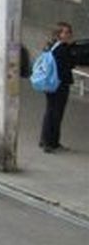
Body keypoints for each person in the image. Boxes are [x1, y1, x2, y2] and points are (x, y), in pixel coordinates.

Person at [40, 22, 76, 153]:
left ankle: (46, 140)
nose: (67, 35)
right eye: (64, 32)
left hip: (50, 83)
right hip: (59, 84)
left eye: (68, 32)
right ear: (58, 34)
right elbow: (68, 66)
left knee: (50, 111)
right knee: (56, 113)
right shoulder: (62, 49)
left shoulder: (51, 46)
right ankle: (51, 143)